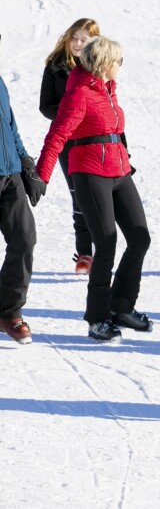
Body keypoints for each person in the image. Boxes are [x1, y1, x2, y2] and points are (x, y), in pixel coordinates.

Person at [36, 36, 152, 343]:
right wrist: (41, 176)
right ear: (104, 63)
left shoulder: (108, 91)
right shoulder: (78, 95)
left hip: (120, 172)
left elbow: (116, 133)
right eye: (118, 61)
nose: (120, 66)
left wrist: (125, 160)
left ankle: (122, 307)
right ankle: (98, 318)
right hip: (89, 174)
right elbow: (56, 137)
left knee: (140, 238)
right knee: (107, 244)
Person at [40, 18, 100, 275]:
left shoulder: (98, 67)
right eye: (74, 37)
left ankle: (105, 249)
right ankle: (84, 253)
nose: (76, 44)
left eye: (83, 39)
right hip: (68, 141)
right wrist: (71, 113)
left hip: (96, 140)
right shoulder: (55, 67)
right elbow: (45, 106)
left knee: (100, 196)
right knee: (79, 194)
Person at [0, 34, 46, 344]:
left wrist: (26, 162)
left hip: (10, 174)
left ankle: (9, 312)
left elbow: (10, 127)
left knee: (24, 238)